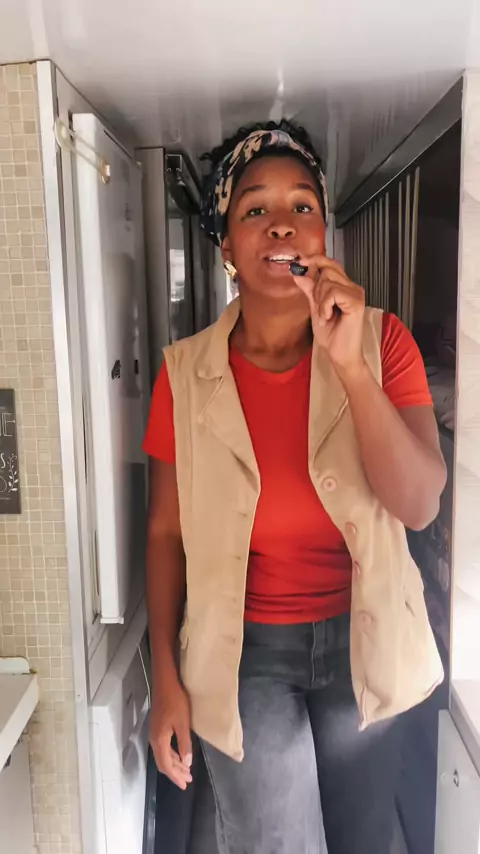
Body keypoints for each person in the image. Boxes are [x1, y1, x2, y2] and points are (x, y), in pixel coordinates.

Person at [144, 120, 447, 854]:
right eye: (255, 208)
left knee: (363, 838)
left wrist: (350, 367)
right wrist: (166, 682)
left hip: (363, 636)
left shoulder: (384, 343)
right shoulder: (184, 375)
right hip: (245, 652)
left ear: (322, 233)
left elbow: (418, 504)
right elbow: (164, 532)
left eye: (302, 205)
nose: (281, 223)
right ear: (226, 246)